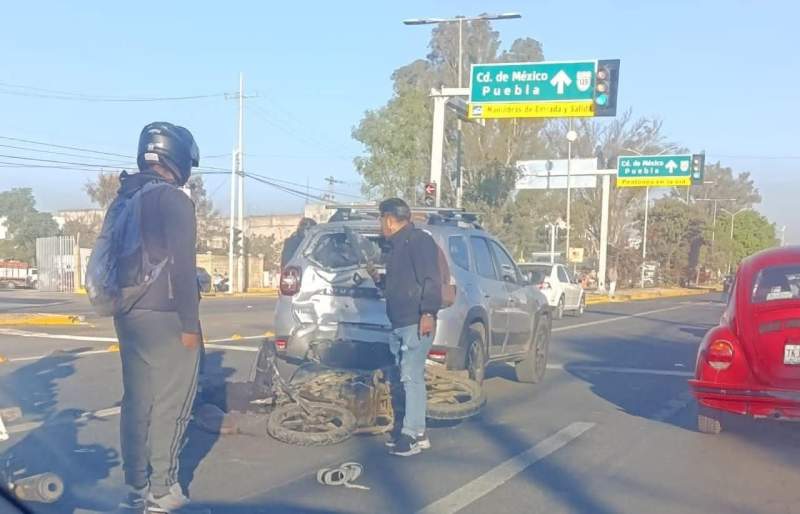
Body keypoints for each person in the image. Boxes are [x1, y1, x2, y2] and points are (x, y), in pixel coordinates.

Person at [113, 122, 202, 513]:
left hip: (128, 313)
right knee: (173, 402)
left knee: (137, 401)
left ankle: (135, 488)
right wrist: (188, 324)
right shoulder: (174, 200)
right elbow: (183, 268)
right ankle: (163, 492)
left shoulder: (123, 198)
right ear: (178, 158)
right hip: (167, 315)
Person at [371, 198, 443, 457]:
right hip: (400, 322)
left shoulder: (418, 240)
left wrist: (428, 312)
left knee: (411, 377)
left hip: (416, 321)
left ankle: (410, 436)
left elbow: (430, 280)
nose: (380, 225)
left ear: (390, 219)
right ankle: (418, 431)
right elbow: (401, 284)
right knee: (407, 377)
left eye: (381, 219)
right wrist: (380, 282)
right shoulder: (396, 246)